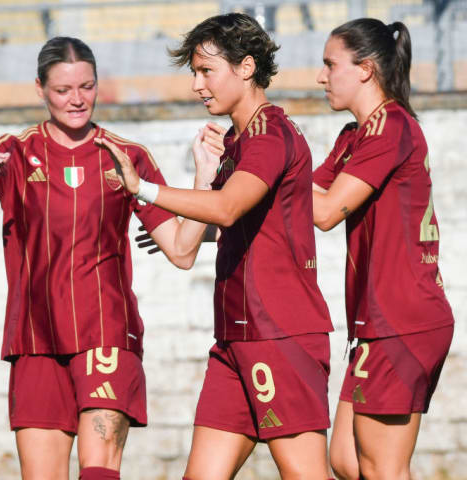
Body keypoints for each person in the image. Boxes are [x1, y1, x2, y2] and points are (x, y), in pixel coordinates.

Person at [0, 36, 221, 480]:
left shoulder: (127, 156)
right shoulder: (13, 152)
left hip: (105, 332)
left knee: (99, 470)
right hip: (35, 340)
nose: (77, 100)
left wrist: (203, 178)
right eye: (63, 90)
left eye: (86, 87)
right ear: (40, 89)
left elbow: (182, 251)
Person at [97, 13, 334, 480]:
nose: (196, 85)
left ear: (246, 67)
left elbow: (228, 208)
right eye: (194, 73)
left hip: (278, 335)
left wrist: (142, 188)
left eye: (206, 71)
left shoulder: (268, 133)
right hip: (235, 341)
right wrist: (202, 191)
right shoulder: (238, 142)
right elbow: (240, 223)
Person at [312, 18, 454, 480]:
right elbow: (293, 203)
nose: (321, 76)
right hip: (381, 321)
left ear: (366, 70)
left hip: (402, 318)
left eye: (331, 65)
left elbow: (326, 210)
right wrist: (215, 216)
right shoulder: (355, 135)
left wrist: (272, 162)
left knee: (383, 468)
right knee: (348, 462)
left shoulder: (389, 126)